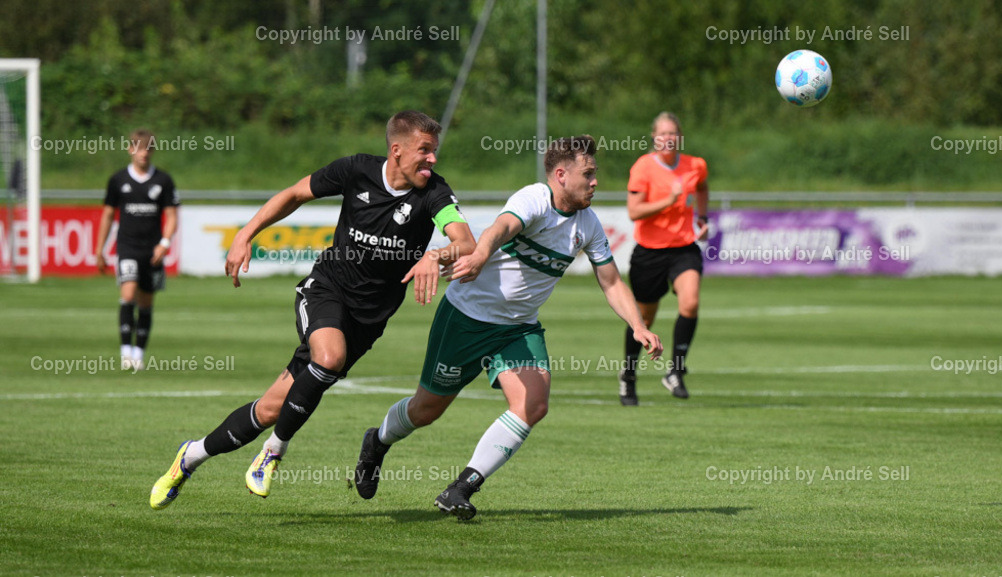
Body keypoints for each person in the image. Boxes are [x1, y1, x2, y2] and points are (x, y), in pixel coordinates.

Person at [149, 110, 476, 510]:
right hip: (326, 290)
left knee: (270, 408)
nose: (432, 160)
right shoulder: (356, 171)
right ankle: (274, 452)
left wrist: (436, 256)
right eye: (424, 151)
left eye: (435, 152)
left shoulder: (434, 193)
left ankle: (191, 456)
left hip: (366, 321)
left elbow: (466, 242)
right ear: (396, 150)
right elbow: (293, 194)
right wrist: (245, 235)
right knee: (329, 357)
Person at [352, 135, 663, 520]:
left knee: (534, 403)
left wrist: (637, 325)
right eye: (589, 174)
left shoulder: (589, 224)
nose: (595, 182)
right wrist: (480, 255)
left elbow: (612, 281)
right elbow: (500, 228)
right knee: (426, 410)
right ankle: (377, 441)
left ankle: (461, 488)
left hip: (517, 328)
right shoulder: (534, 199)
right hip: (466, 318)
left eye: (595, 174)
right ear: (561, 175)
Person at [617, 112, 709, 406]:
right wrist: (668, 200)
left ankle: (676, 371)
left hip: (683, 248)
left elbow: (703, 188)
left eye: (672, 133)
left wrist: (703, 217)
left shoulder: (695, 165)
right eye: (662, 134)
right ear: (654, 137)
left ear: (679, 137)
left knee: (691, 301)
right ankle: (628, 376)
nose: (667, 138)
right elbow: (634, 211)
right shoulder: (643, 168)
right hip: (650, 252)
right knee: (644, 319)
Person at [95, 128, 179, 371]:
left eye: (149, 148)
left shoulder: (163, 180)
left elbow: (172, 216)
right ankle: (125, 353)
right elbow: (108, 215)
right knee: (128, 294)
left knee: (146, 302)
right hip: (127, 246)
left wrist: (164, 243)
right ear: (130, 150)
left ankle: (139, 353)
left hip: (153, 250)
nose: (144, 153)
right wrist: (99, 249)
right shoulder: (118, 180)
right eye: (140, 148)